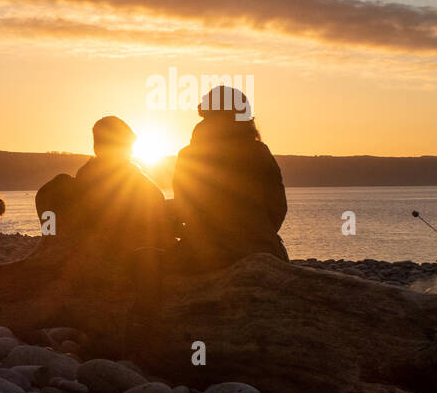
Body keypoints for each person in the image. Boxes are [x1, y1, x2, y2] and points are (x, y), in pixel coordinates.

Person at [172, 86, 288, 269]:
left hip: (200, 253)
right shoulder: (259, 152)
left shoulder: (189, 155)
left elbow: (183, 205)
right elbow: (278, 206)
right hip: (260, 247)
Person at [34, 116, 172, 259]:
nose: (131, 152)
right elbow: (156, 204)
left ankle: (49, 240)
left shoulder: (85, 174)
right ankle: (50, 240)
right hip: (118, 247)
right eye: (128, 147)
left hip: (87, 241)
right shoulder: (128, 176)